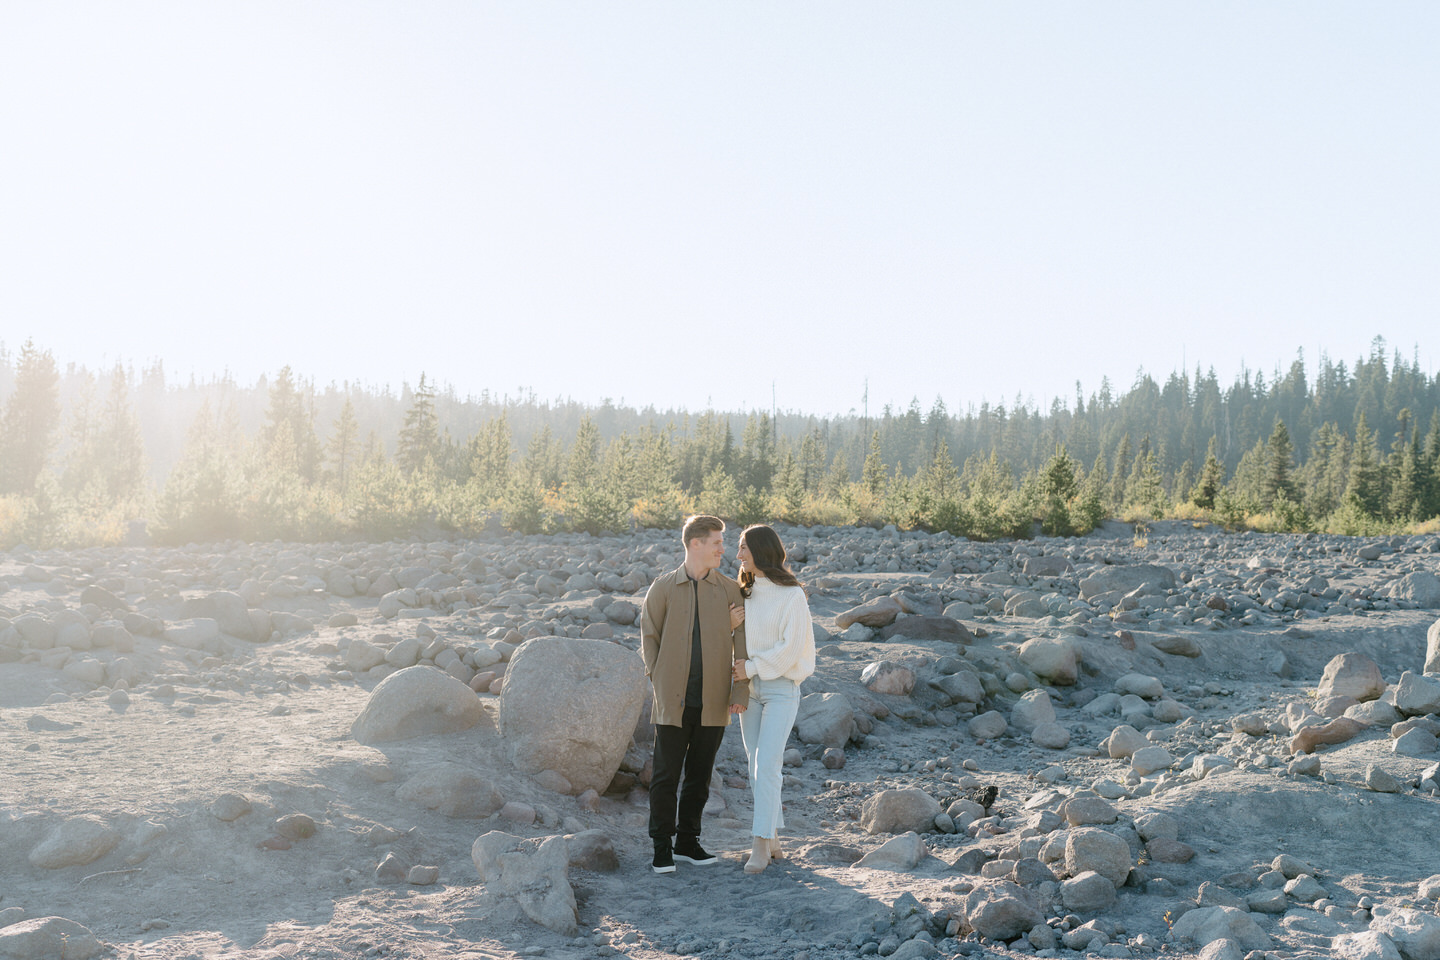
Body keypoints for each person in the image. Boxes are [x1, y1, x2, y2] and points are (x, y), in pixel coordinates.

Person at [640, 514, 750, 874]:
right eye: (717, 542)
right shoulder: (663, 587)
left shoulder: (730, 591)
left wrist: (740, 691)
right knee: (665, 776)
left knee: (700, 776)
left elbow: (742, 645)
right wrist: (658, 679)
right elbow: (649, 637)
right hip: (672, 699)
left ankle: (688, 841)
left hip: (714, 699)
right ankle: (662, 846)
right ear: (695, 544)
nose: (723, 549)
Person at [728, 523, 815, 875]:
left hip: (780, 689)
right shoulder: (742, 593)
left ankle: (759, 843)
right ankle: (774, 837)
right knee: (754, 768)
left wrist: (751, 667)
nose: (738, 555)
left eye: (744, 548)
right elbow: (732, 639)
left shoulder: (792, 595)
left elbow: (790, 649)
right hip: (749, 691)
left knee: (767, 765)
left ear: (761, 551)